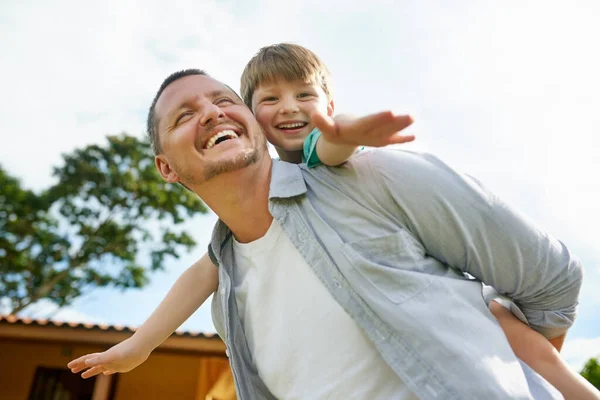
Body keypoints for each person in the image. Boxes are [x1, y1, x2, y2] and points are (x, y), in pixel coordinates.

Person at [68, 44, 596, 399]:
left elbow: (551, 281)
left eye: (224, 100)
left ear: (252, 123)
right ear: (166, 168)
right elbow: (195, 278)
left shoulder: (371, 178)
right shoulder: (227, 302)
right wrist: (136, 347)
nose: (211, 112)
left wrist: (516, 363)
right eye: (185, 115)